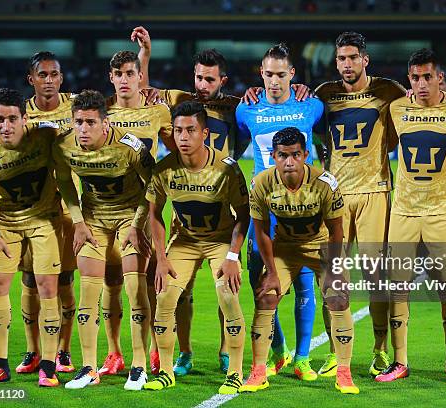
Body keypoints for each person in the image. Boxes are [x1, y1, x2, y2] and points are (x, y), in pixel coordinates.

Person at [314, 31, 446, 377]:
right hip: (336, 195)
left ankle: (381, 350)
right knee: (330, 275)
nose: (347, 64)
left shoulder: (391, 92)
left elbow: (436, 113)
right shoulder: (325, 94)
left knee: (377, 277)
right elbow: (310, 128)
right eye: (341, 58)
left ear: (365, 59)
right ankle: (334, 348)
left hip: (376, 192)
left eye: (353, 57)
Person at [134, 26, 240, 374]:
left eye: (209, 80)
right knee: (181, 288)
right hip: (183, 204)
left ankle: (227, 350)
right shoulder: (181, 103)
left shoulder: (237, 108)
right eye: (198, 78)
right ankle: (184, 351)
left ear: (222, 80)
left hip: (224, 206)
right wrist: (146, 55)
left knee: (227, 287)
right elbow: (146, 92)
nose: (202, 85)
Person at [378, 48, 446, 384]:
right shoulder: (397, 108)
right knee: (398, 289)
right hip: (403, 212)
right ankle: (400, 361)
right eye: (415, 77)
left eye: (427, 77)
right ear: (409, 79)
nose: (421, 84)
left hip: (441, 212)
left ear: (440, 79)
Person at [241, 127, 358, 394]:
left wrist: (336, 267)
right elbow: (260, 230)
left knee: (338, 297)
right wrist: (271, 272)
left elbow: (337, 229)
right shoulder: (261, 183)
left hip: (321, 246)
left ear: (305, 154)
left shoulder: (324, 183)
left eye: (295, 155)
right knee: (266, 295)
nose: (289, 162)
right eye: (282, 155)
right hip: (285, 247)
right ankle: (259, 371)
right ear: (273, 156)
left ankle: (344, 372)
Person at [143, 101, 249, 394]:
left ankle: (236, 371)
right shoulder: (164, 168)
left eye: (191, 130)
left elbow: (244, 214)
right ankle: (165, 371)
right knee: (165, 295)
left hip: (220, 240)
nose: (183, 137)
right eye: (178, 130)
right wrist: (161, 258)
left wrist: (231, 256)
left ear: (204, 133)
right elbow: (154, 213)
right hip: (186, 240)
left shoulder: (227, 168)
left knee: (226, 293)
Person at [53, 90, 154, 390]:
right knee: (88, 293)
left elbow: (153, 187)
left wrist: (138, 224)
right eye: (78, 122)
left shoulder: (130, 146)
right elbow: (63, 182)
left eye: (90, 123)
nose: (83, 129)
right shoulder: (63, 145)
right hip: (93, 220)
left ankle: (139, 365)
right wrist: (78, 221)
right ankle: (88, 368)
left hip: (130, 216)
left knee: (135, 290)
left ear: (105, 124)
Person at [236, 43, 324, 380]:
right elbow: (234, 147)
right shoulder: (247, 110)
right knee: (263, 288)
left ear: (292, 75)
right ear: (261, 75)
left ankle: (303, 358)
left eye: (281, 74)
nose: (275, 81)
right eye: (269, 74)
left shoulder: (309, 105)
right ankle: (278, 349)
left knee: (304, 286)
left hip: (303, 214)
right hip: (265, 216)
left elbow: (329, 136)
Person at [0, 88, 65, 387]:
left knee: (47, 287)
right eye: (0, 119)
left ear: (25, 118)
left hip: (43, 218)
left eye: (12, 119)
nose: (6, 126)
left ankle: (48, 366)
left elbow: (75, 135)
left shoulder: (45, 135)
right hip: (6, 220)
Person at [102, 49, 172, 377]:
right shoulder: (101, 113)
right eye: (120, 74)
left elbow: (179, 151)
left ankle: (154, 351)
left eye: (132, 73)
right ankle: (114, 352)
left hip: (146, 211)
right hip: (108, 210)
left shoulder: (157, 111)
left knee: (149, 281)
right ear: (112, 77)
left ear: (139, 76)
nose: (126, 79)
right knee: (110, 281)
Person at [14, 51, 77, 375]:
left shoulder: (77, 105)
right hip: (33, 210)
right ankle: (33, 350)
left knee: (63, 281)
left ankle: (63, 351)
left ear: (61, 78)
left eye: (54, 74)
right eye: (43, 75)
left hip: (67, 208)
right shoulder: (19, 114)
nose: (49, 80)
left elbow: (126, 96)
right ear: (32, 79)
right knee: (30, 281)